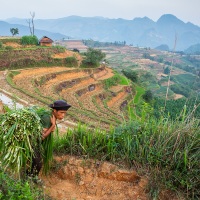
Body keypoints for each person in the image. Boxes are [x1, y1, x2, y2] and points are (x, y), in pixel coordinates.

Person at [26, 100, 71, 182]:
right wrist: (53, 125)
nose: (63, 115)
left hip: (35, 141)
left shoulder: (51, 115)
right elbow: (41, 137)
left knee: (37, 161)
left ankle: (30, 176)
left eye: (64, 113)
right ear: (54, 110)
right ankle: (31, 178)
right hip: (32, 141)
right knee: (38, 163)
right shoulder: (47, 118)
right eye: (61, 112)